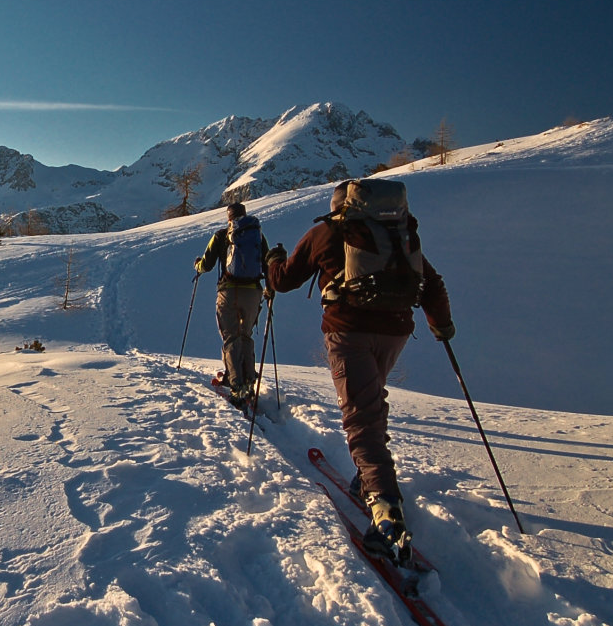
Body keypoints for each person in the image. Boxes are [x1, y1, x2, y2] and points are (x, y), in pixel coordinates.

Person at [265, 180, 454, 561]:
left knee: (361, 417)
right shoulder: (397, 235)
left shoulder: (327, 232)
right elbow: (430, 281)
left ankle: (386, 514)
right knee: (369, 404)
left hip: (349, 330)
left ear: (340, 207)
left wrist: (272, 262)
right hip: (397, 330)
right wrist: (442, 326)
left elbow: (284, 281)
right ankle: (368, 478)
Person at [194, 201, 268, 407]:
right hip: (254, 291)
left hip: (229, 291)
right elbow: (268, 262)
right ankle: (248, 382)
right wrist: (269, 290)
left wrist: (197, 265)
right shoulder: (257, 235)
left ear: (229, 218)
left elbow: (206, 265)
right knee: (245, 335)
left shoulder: (220, 235)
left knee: (230, 338)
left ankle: (237, 387)